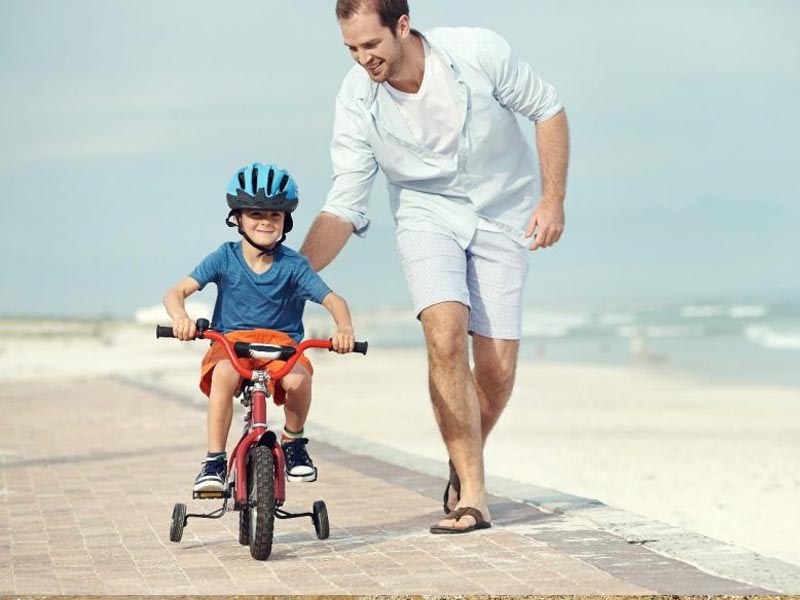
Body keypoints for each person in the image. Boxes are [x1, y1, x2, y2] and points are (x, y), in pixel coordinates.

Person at [300, 0, 570, 533]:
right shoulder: (356, 99)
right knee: (444, 336)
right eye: (351, 49)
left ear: (402, 26)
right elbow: (345, 203)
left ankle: (460, 451)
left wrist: (552, 199)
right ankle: (473, 494)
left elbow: (548, 109)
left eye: (371, 45)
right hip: (426, 213)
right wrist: (294, 273)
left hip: (503, 211)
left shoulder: (477, 51)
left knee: (495, 370)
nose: (362, 59)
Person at [164, 162, 356, 493]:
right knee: (225, 374)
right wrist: (180, 318)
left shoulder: (294, 266)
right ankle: (214, 460)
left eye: (275, 215)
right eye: (255, 214)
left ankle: (294, 442)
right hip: (231, 345)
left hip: (282, 347)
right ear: (237, 218)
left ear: (286, 221)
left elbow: (334, 300)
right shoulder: (224, 258)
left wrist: (344, 328)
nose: (265, 222)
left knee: (299, 379)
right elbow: (175, 293)